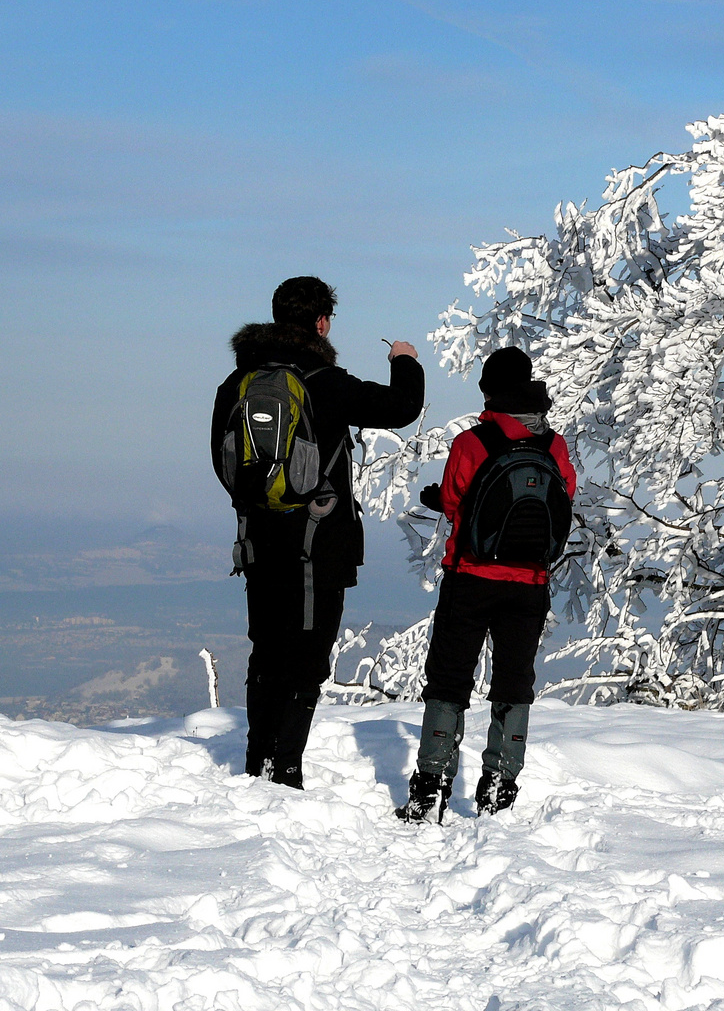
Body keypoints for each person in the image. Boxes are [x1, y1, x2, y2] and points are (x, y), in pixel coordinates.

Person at [212, 276, 424, 788]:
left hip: (258, 540)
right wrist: (405, 360)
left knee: (265, 648)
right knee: (306, 655)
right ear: (322, 322)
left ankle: (256, 760)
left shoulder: (236, 383)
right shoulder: (327, 383)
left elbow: (224, 463)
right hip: (319, 543)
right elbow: (403, 409)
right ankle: (285, 768)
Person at [396, 346, 575, 823]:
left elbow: (457, 499)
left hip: (471, 577)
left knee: (450, 678)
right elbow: (562, 500)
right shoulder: (554, 446)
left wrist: (436, 497)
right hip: (529, 583)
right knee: (515, 682)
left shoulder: (472, 442)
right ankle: (500, 786)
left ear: (488, 391)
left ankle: (430, 786)